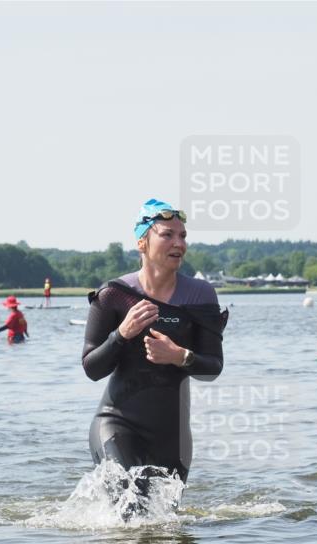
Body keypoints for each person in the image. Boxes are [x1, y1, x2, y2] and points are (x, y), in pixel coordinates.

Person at [82, 198, 227, 516]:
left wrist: (179, 356)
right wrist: (121, 334)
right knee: (132, 511)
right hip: (117, 423)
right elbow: (92, 368)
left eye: (183, 235)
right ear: (142, 242)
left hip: (172, 436)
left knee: (164, 526)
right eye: (168, 235)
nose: (179, 243)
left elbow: (212, 368)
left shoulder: (201, 295)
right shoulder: (114, 295)